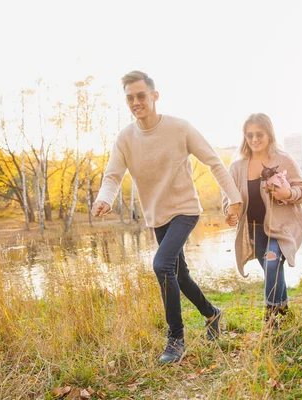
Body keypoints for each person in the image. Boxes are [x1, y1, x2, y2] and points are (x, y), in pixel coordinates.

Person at [92, 71, 242, 363]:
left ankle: (176, 339)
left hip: (185, 210)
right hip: (156, 216)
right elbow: (112, 176)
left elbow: (213, 161)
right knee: (179, 274)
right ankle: (212, 313)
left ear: (154, 96)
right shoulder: (125, 138)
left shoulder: (179, 128)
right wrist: (103, 199)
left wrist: (234, 200)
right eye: (130, 98)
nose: (136, 102)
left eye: (141, 95)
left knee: (161, 265)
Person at [223, 113, 302, 330]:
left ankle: (270, 319)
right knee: (273, 270)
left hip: (281, 228)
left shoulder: (283, 160)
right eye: (249, 135)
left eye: (259, 134)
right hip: (254, 230)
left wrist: (288, 193)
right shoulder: (237, 167)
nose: (254, 139)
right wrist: (230, 212)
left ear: (269, 135)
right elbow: (229, 198)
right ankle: (284, 313)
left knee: (272, 263)